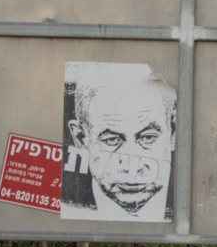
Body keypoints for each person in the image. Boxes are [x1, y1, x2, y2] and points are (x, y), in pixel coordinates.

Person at [62, 61, 176, 222]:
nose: (131, 167)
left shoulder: (191, 204)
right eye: (112, 140)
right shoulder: (69, 205)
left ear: (173, 132)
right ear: (81, 137)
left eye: (148, 138)